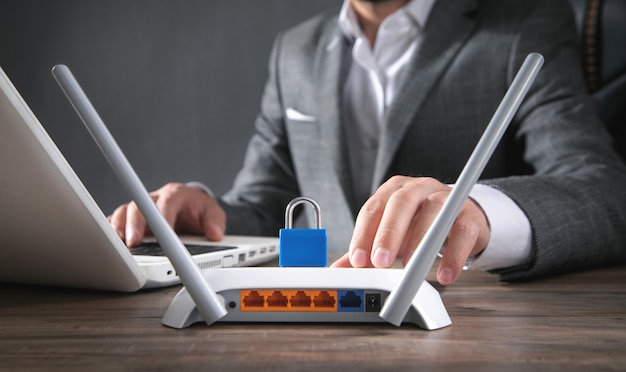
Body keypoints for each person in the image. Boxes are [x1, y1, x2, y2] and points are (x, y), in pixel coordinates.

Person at [110, 0, 626, 285]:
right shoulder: (295, 50)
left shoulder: (524, 24)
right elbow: (269, 204)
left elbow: (605, 191)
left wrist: (483, 211)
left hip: (466, 327)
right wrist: (205, 212)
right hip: (314, 326)